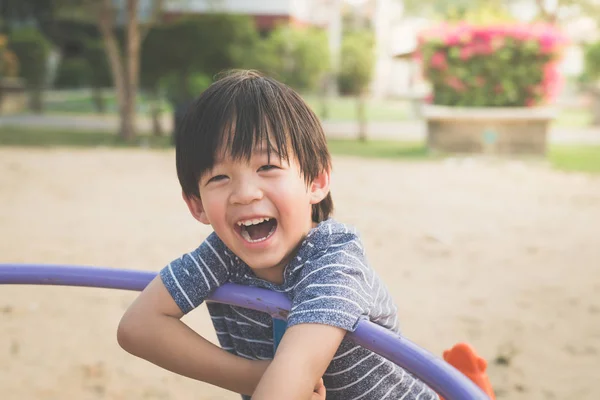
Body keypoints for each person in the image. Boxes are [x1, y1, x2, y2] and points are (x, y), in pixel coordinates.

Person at [117, 70, 438, 400]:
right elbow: (137, 326)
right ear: (196, 205)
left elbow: (297, 368)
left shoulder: (334, 261)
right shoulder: (221, 255)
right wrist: (248, 377)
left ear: (316, 181)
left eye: (266, 167)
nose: (245, 193)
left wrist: (270, 382)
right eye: (219, 177)